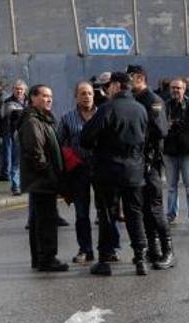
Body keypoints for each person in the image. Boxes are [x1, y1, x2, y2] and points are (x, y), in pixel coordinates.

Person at [81, 72, 149, 276]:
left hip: (109, 170)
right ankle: (140, 259)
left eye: (109, 85)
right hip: (134, 170)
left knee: (108, 215)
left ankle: (104, 260)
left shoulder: (107, 108)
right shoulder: (140, 109)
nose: (106, 89)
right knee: (134, 214)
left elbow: (85, 138)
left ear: (117, 86)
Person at [127, 64, 175, 270]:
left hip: (151, 162)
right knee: (144, 209)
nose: (128, 82)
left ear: (140, 78)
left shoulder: (153, 101)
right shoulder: (133, 100)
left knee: (155, 208)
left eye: (130, 77)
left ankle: (168, 250)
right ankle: (153, 249)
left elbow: (161, 131)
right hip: (137, 162)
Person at [19, 84, 68, 272]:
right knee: (45, 221)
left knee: (41, 220)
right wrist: (50, 173)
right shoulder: (33, 121)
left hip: (43, 179)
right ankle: (47, 258)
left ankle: (41, 258)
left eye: (51, 96)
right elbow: (35, 153)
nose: (49, 99)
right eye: (45, 96)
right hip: (42, 180)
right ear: (32, 98)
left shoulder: (42, 119)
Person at [58, 81, 100, 264]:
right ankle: (85, 250)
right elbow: (59, 143)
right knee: (82, 213)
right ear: (76, 96)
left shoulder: (103, 114)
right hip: (79, 169)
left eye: (90, 93)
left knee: (106, 210)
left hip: (101, 168)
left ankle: (110, 249)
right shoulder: (67, 118)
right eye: (83, 93)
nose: (87, 96)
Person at [163, 78, 189, 226]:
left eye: (178, 88)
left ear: (184, 89)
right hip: (169, 152)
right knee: (171, 187)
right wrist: (166, 126)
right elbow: (158, 127)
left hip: (187, 152)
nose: (175, 90)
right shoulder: (164, 107)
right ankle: (171, 214)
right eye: (173, 88)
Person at [2, 79, 28, 195]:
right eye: (17, 89)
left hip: (29, 135)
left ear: (24, 90)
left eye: (21, 89)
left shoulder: (29, 101)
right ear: (13, 90)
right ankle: (15, 186)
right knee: (16, 162)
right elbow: (5, 114)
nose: (19, 91)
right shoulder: (8, 101)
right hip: (16, 135)